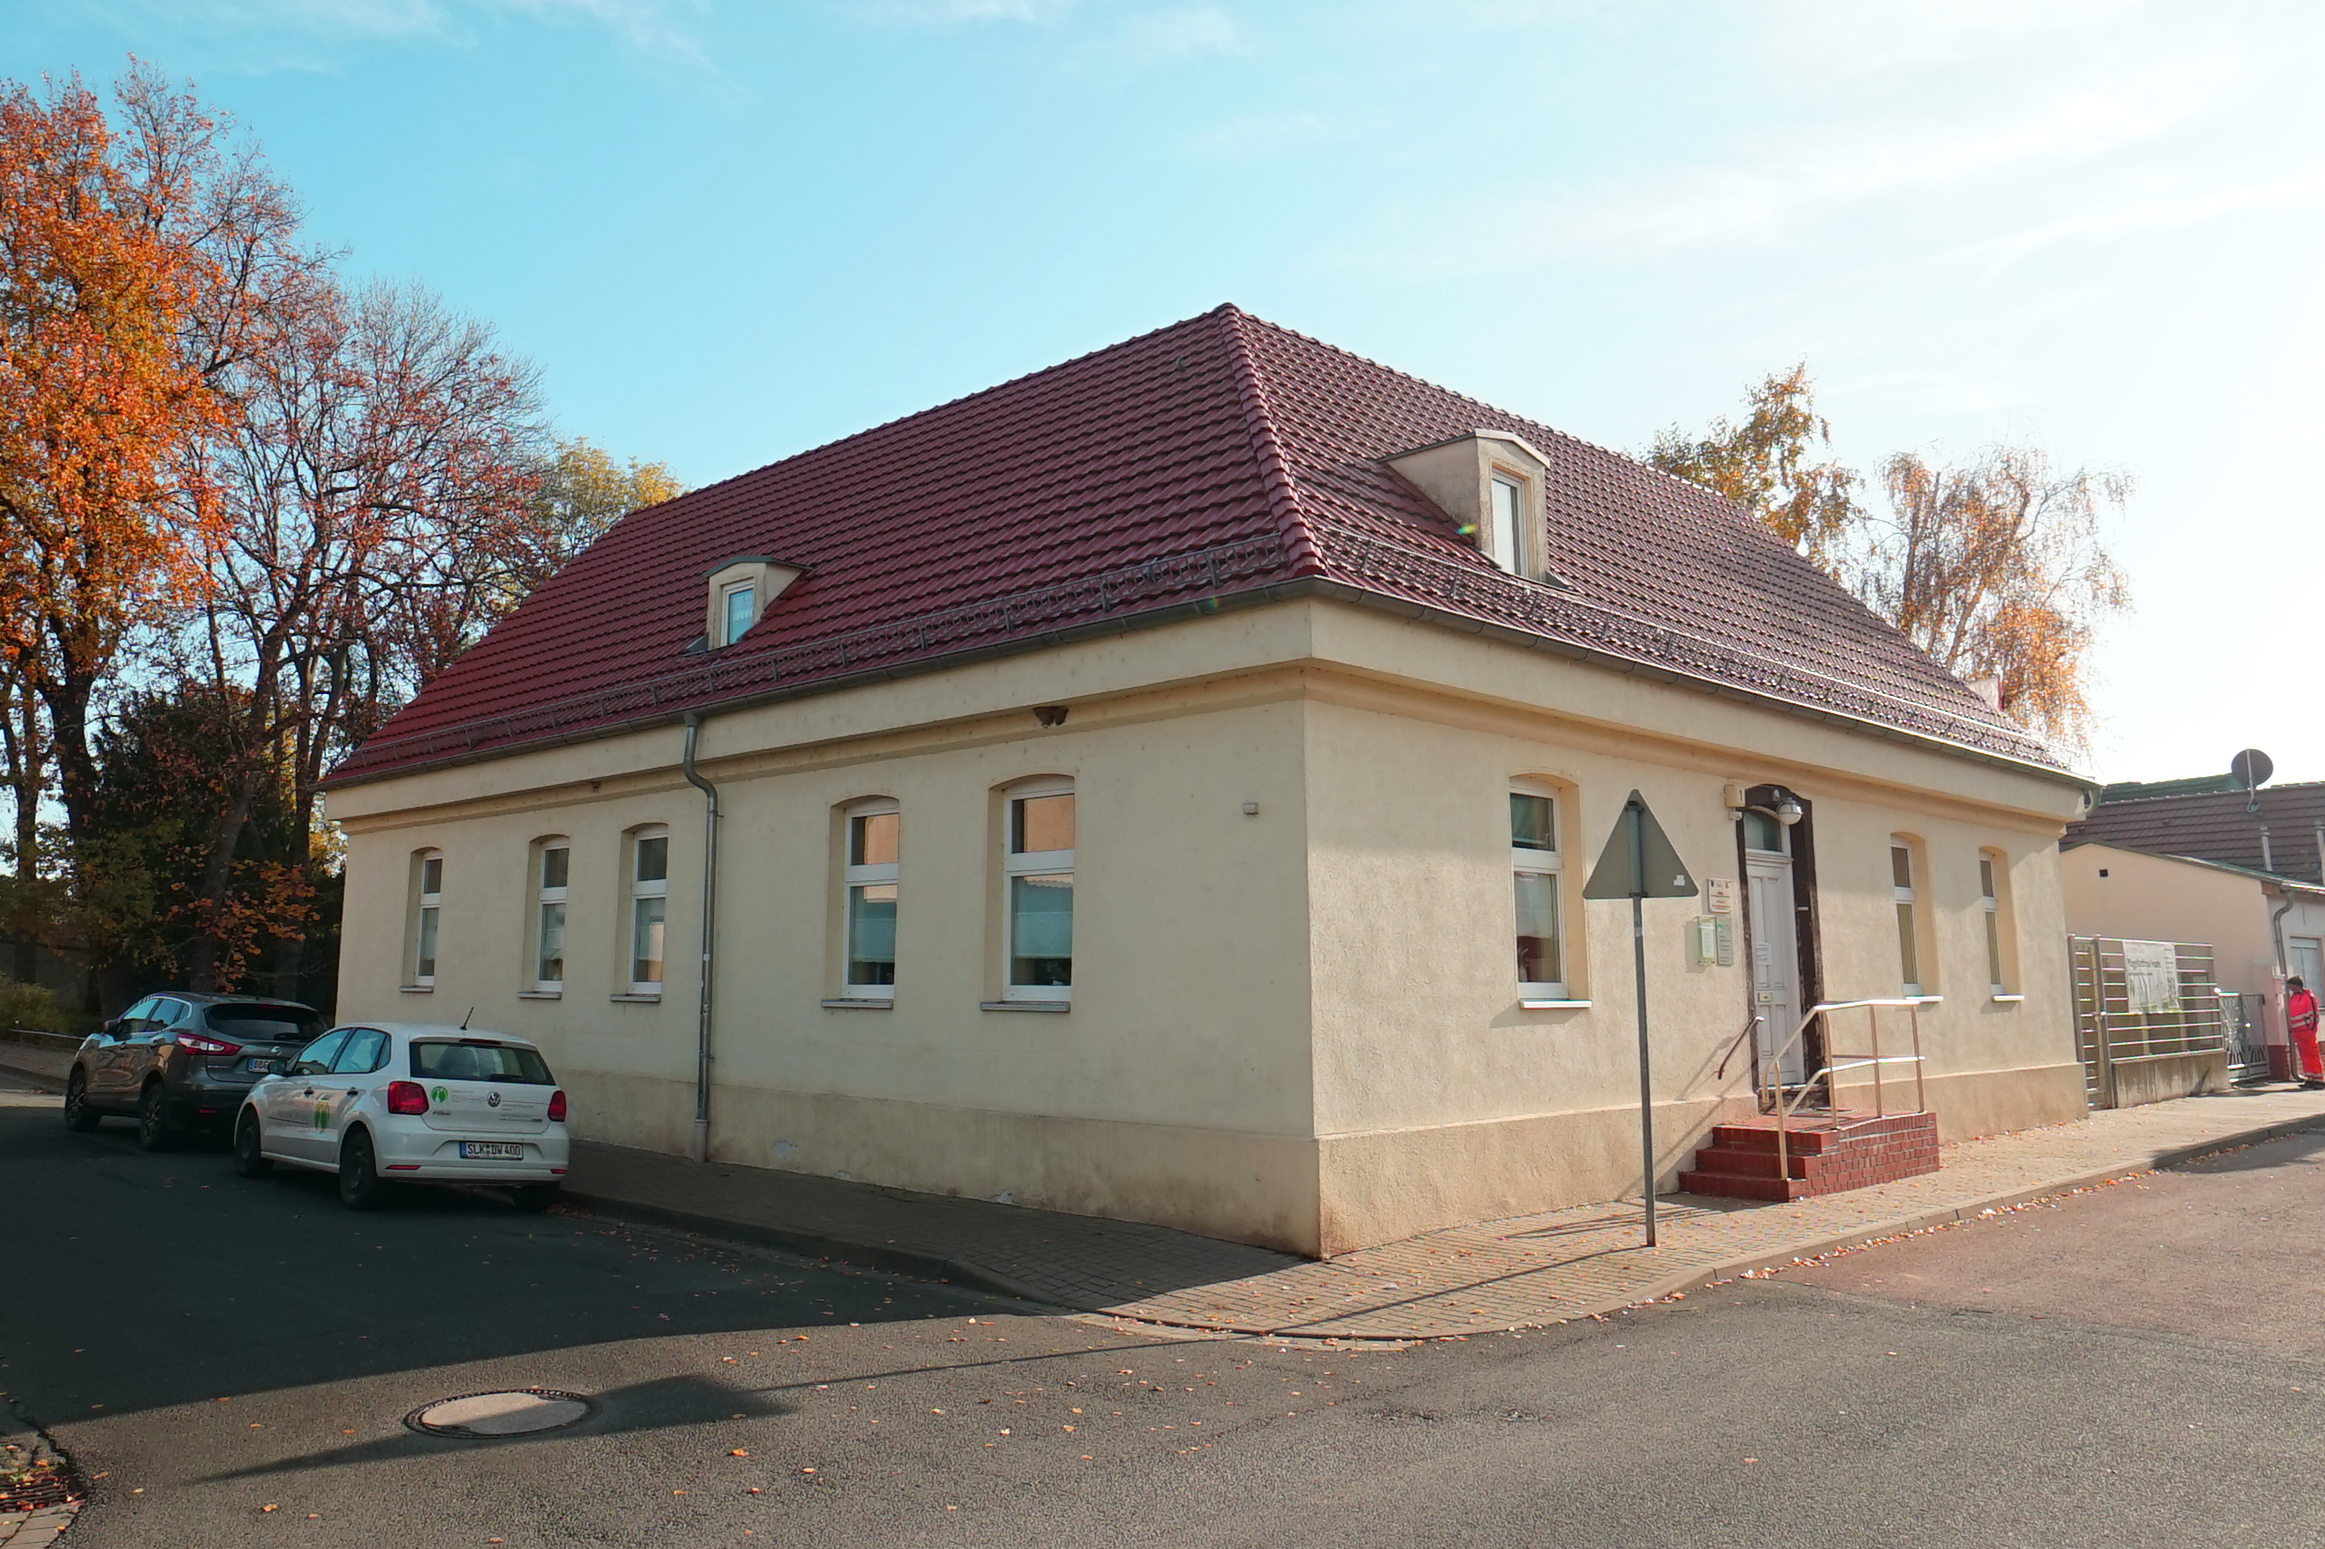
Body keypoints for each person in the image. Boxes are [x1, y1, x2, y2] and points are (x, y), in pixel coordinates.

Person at [2289, 976, 2324, 1089]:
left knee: (2312, 1055)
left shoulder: (2308, 997)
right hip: (2298, 1032)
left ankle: (2319, 1079)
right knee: (2305, 1056)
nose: (2290, 988)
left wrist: (2311, 1029)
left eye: (2291, 985)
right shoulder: (2293, 998)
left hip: (2307, 1032)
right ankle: (2310, 1078)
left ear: (2297, 985)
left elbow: (2314, 1014)